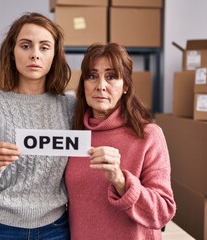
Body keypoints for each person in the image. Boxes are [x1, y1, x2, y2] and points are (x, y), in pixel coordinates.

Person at [0, 12, 75, 240]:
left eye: (44, 47)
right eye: (26, 46)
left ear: (54, 56)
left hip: (55, 228)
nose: (35, 54)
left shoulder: (70, 106)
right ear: (12, 52)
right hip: (0, 229)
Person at [65, 42, 176, 240]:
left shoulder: (148, 135)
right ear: (84, 84)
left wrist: (121, 181)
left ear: (125, 86)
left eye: (111, 76)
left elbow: (163, 212)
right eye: (92, 76)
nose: (100, 85)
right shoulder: (74, 135)